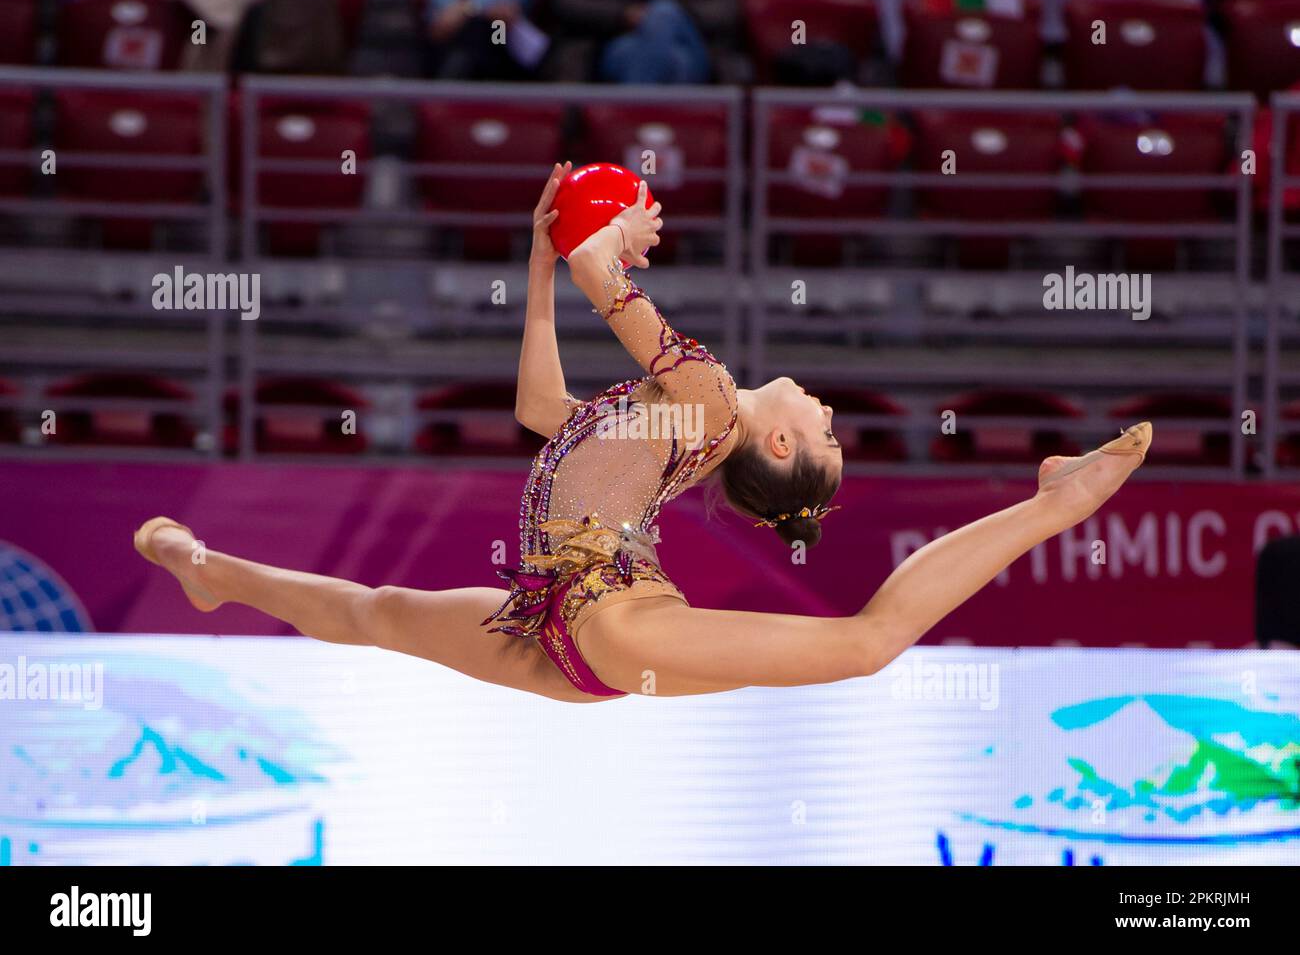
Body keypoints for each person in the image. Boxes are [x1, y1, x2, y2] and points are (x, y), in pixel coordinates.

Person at [133, 164, 1153, 702]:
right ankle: (211, 570)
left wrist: (610, 234)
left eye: (828, 433)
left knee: (866, 644)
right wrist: (543, 266)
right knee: (379, 608)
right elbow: (545, 413)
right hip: (566, 628)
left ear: (784, 447)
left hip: (606, 623)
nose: (831, 411)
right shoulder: (685, 419)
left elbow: (600, 280)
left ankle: (1052, 503)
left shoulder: (706, 399)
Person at [545, 0, 738, 84]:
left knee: (664, 11)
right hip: (614, 42)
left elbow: (727, 8)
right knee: (675, 63)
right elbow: (566, 0)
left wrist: (678, 15)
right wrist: (622, 13)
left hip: (692, 42)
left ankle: (633, 121)